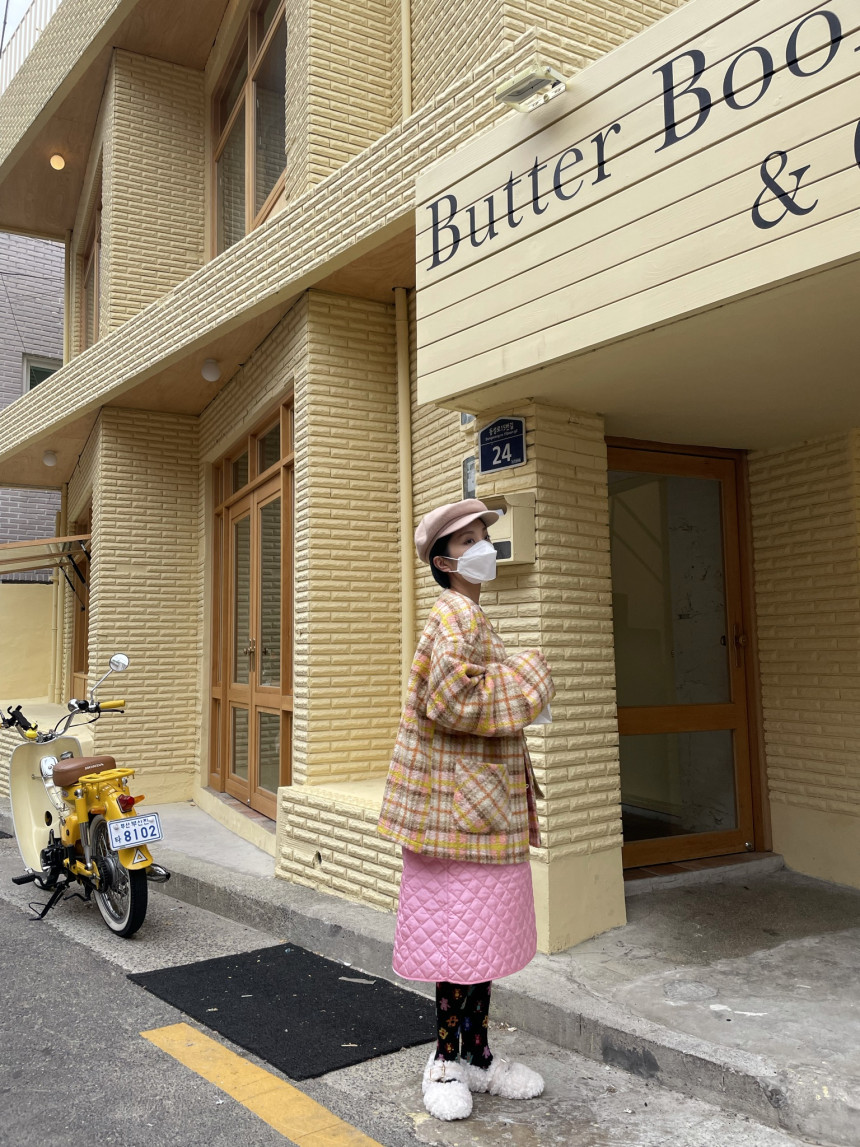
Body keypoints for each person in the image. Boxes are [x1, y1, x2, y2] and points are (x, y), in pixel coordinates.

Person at [378, 498, 555, 1122]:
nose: (485, 547)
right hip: (459, 814)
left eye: (485, 536)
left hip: (471, 810)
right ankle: (445, 1063)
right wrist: (529, 678)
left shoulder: (468, 614)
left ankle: (476, 1056)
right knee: (458, 942)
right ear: (446, 561)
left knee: (476, 939)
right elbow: (451, 699)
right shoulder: (455, 616)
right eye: (471, 540)